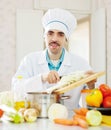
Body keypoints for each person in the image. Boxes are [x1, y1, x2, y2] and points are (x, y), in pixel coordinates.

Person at [12, 8, 96, 114]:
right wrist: (41, 78)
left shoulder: (81, 63)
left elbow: (94, 102)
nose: (54, 39)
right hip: (38, 120)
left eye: (60, 34)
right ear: (44, 36)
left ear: (66, 39)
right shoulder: (29, 60)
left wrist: (91, 86)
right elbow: (16, 90)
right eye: (50, 33)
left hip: (71, 120)